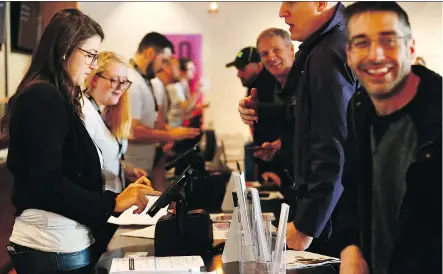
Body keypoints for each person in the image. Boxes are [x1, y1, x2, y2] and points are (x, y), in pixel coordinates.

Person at [2, 9, 160, 274]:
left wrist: (116, 198)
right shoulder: (43, 96)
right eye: (90, 55)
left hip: (63, 242)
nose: (93, 65)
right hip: (49, 245)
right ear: (65, 49)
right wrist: (113, 203)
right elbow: (47, 184)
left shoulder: (59, 98)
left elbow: (70, 176)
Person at [239, 2, 358, 255]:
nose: (282, 11)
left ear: (320, 2)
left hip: (335, 218)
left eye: (291, 1)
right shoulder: (323, 48)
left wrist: (307, 225)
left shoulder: (328, 53)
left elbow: (333, 145)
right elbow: (308, 119)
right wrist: (262, 111)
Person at [338, 2, 442, 274]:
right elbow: (350, 189)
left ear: (410, 47)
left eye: (389, 40)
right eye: (361, 43)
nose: (376, 55)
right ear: (348, 54)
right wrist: (350, 247)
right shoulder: (359, 108)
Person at [125, 32, 200, 191]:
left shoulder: (145, 80)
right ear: (150, 53)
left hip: (142, 168)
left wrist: (171, 133)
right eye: (163, 61)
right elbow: (132, 131)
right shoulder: (132, 81)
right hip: (131, 170)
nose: (164, 67)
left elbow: (153, 121)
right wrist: (171, 134)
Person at [83, 51, 148, 193]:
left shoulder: (110, 111)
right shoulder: (84, 112)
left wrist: (123, 171)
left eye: (124, 82)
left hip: (113, 198)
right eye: (114, 80)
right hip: (95, 202)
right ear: (94, 79)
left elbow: (107, 159)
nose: (120, 88)